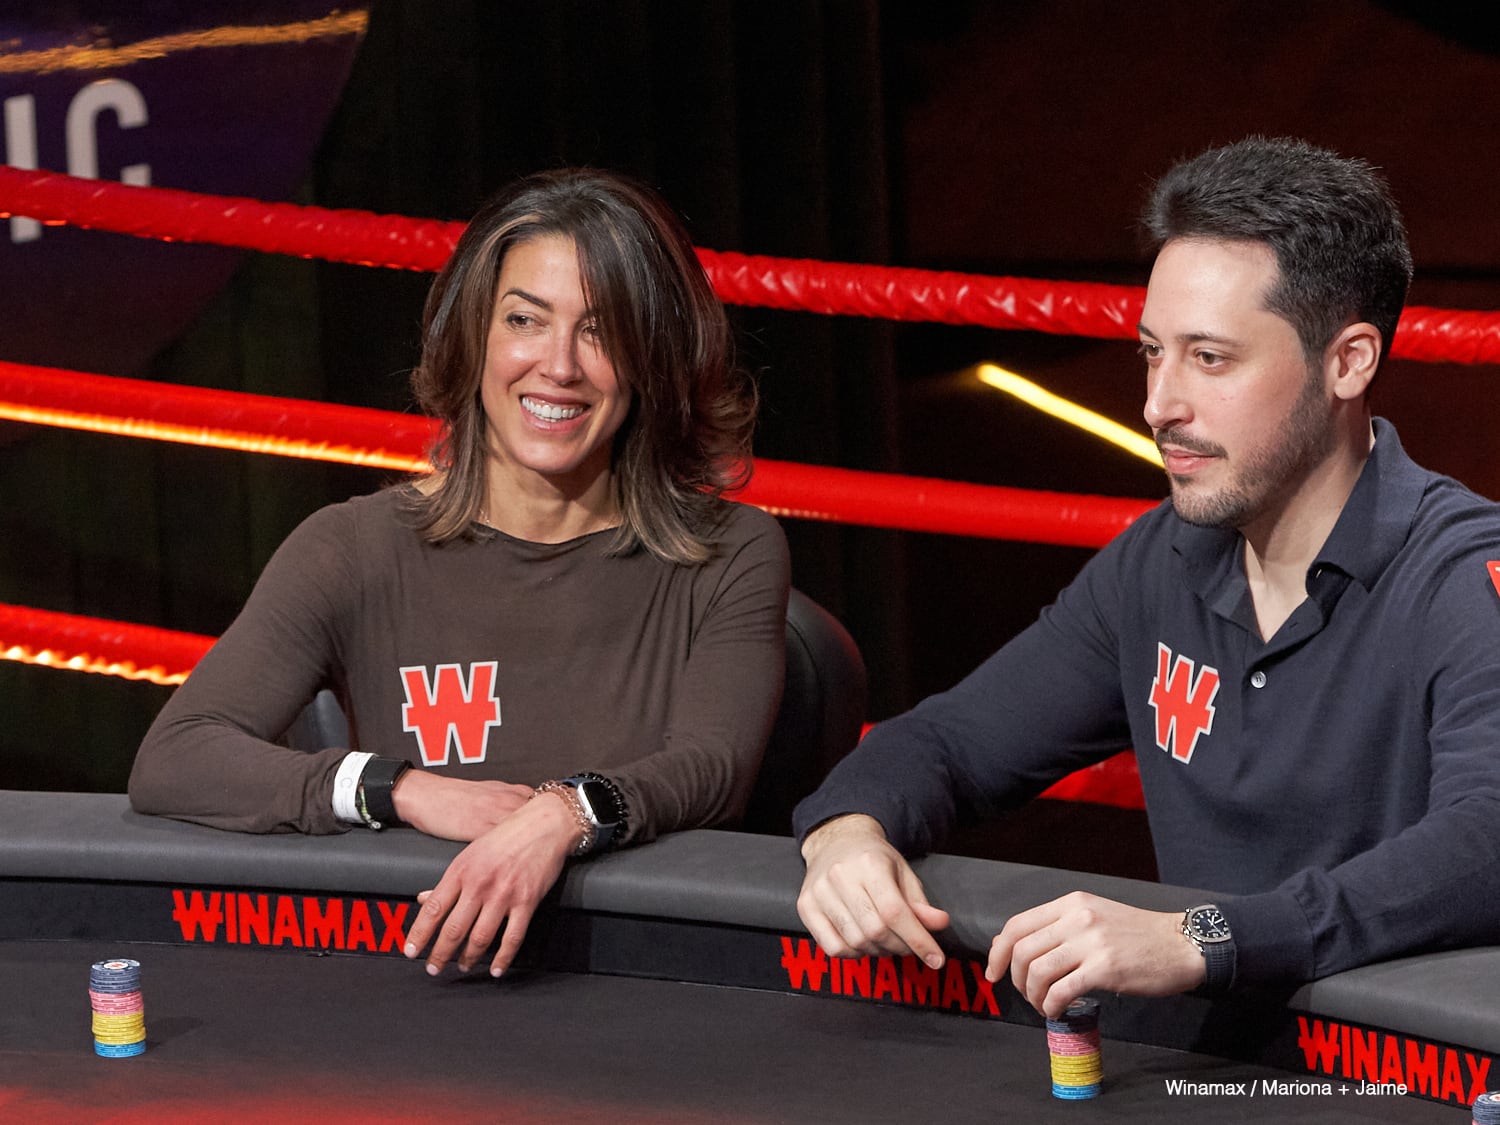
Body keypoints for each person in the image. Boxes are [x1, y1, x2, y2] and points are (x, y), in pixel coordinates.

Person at [793, 136, 1500, 1018]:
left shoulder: (1463, 576)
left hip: (1410, 1075)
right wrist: (846, 827)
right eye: (1151, 352)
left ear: (1348, 361)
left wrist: (1208, 937)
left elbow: (1488, 843)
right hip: (1204, 1068)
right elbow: (953, 742)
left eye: (1210, 358)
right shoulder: (1158, 558)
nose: (1159, 404)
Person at [130, 168, 790, 979]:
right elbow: (177, 756)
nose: (559, 365)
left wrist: (562, 814)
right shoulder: (352, 547)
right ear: (473, 335)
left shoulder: (732, 551)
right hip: (424, 987)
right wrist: (398, 788)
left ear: (653, 356)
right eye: (524, 320)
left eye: (602, 330)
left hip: (642, 984)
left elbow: (713, 768)